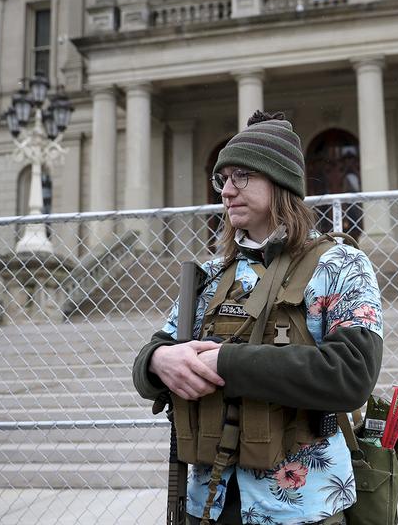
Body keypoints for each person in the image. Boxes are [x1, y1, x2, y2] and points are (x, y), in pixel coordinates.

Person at [133, 111, 384, 525]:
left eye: (242, 176)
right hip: (207, 505)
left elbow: (352, 375)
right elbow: (153, 353)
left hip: (303, 509)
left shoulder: (340, 265)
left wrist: (226, 363)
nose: (227, 191)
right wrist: (158, 362)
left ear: (280, 182)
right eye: (223, 179)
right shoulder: (209, 277)